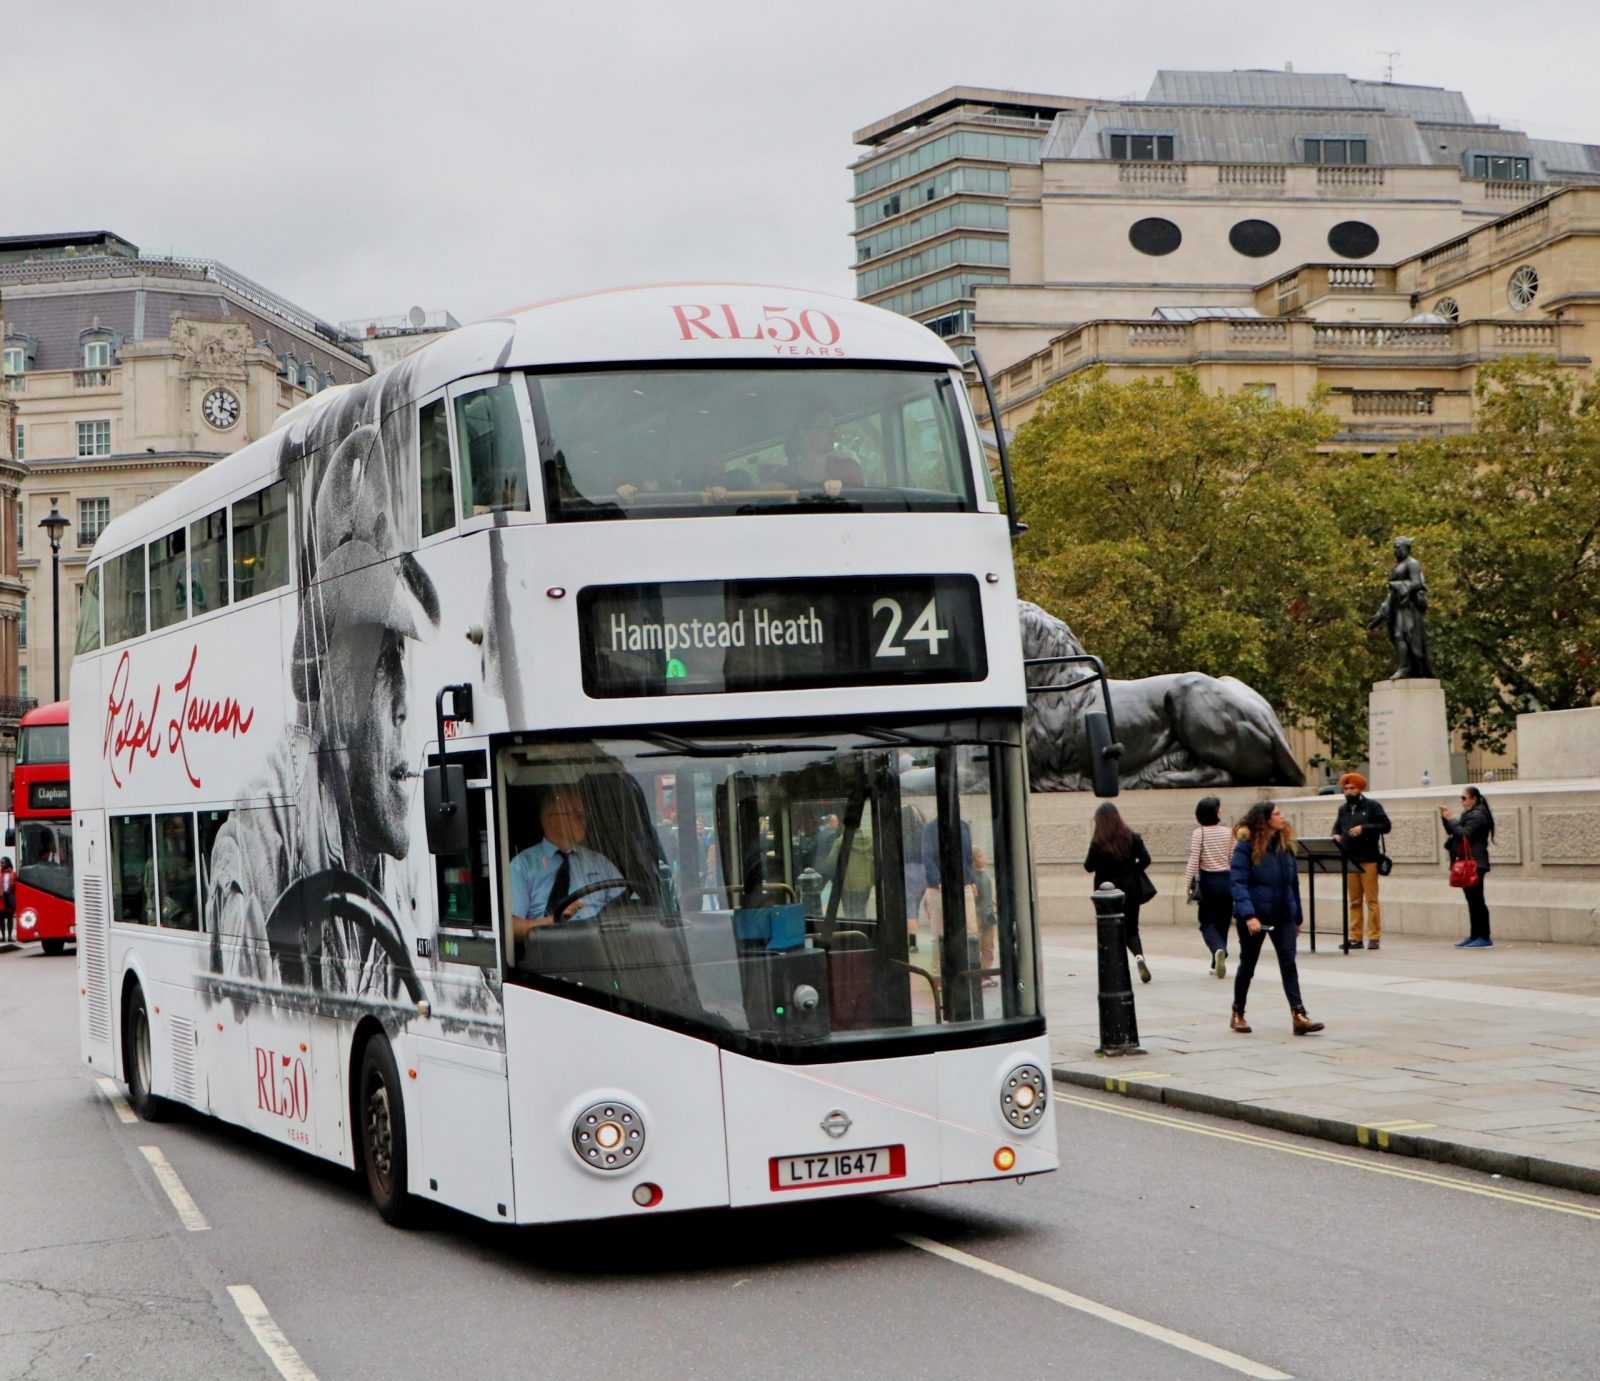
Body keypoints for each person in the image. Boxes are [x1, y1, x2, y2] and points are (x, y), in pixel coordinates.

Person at [1229, 802, 1324, 1035]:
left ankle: (1299, 1015)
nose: (1282, 817)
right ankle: (1237, 1012)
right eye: (1276, 814)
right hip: (1255, 916)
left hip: (1282, 915)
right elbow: (1238, 882)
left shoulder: (1284, 845)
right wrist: (1249, 915)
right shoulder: (1245, 846)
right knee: (1248, 965)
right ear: (1264, 819)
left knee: (1289, 963)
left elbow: (1293, 883)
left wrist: (1297, 917)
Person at [510, 788, 625, 952]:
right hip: (548, 954)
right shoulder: (523, 865)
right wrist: (553, 921)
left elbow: (626, 906)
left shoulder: (599, 862)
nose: (584, 821)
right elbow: (512, 929)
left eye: (584, 815)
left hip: (603, 951)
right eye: (577, 816)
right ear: (550, 821)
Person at [1083, 802, 1153, 983]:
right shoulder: (1132, 837)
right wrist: (1133, 870)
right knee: (1132, 928)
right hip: (1130, 890)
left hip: (1106, 894)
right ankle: (1139, 957)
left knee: (1110, 930)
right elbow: (1146, 859)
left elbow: (1088, 866)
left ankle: (1116, 968)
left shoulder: (1098, 842)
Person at [1331, 771, 1392, 951]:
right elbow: (1337, 826)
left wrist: (1363, 828)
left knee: (1371, 900)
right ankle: (1355, 937)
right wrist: (1335, 835)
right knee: (1354, 900)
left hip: (1368, 859)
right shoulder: (1343, 809)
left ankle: (1374, 936)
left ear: (1360, 789)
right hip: (1350, 859)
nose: (1348, 791)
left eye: (1352, 788)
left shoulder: (1372, 806)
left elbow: (1385, 825)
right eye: (1346, 788)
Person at [1368, 536, 1434, 679]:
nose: (1395, 551)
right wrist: (1382, 610)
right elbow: (1392, 592)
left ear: (1406, 548)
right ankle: (1407, 665)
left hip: (1408, 607)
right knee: (1396, 636)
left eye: (1398, 547)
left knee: (1402, 634)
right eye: (1394, 548)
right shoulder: (1397, 566)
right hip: (1397, 606)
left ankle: (1405, 667)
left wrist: (1398, 585)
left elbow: (1417, 583)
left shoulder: (1412, 563)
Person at [1183, 796, 1233, 979]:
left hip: (1209, 881)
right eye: (1219, 808)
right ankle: (1217, 961)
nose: (1221, 811)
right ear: (1214, 812)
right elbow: (1233, 858)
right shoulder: (1229, 832)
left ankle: (1218, 950)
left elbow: (1194, 861)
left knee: (1206, 922)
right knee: (1223, 922)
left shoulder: (1199, 833)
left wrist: (1189, 884)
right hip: (1227, 880)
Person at [1441, 787, 1494, 948]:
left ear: (1474, 798)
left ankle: (1484, 936)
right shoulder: (1471, 813)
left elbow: (1464, 834)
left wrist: (1451, 819)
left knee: (1477, 900)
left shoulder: (1478, 814)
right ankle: (1474, 935)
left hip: (1475, 863)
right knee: (1472, 900)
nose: (1461, 801)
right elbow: (1455, 832)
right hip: (1469, 863)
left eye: (1464, 798)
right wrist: (1446, 819)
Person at [901, 804, 927, 951]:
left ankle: (912, 943)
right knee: (914, 907)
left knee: (910, 909)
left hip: (908, 870)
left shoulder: (903, 834)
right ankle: (912, 940)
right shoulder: (924, 831)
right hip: (922, 872)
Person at [0, 856, 13, 944]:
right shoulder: (0, 874)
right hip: (1, 897)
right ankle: (3, 936)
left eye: (3, 862)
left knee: (10, 917)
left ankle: (9, 936)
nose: (1, 864)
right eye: (0, 863)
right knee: (1, 918)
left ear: (7, 863)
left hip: (10, 896)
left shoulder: (13, 873)